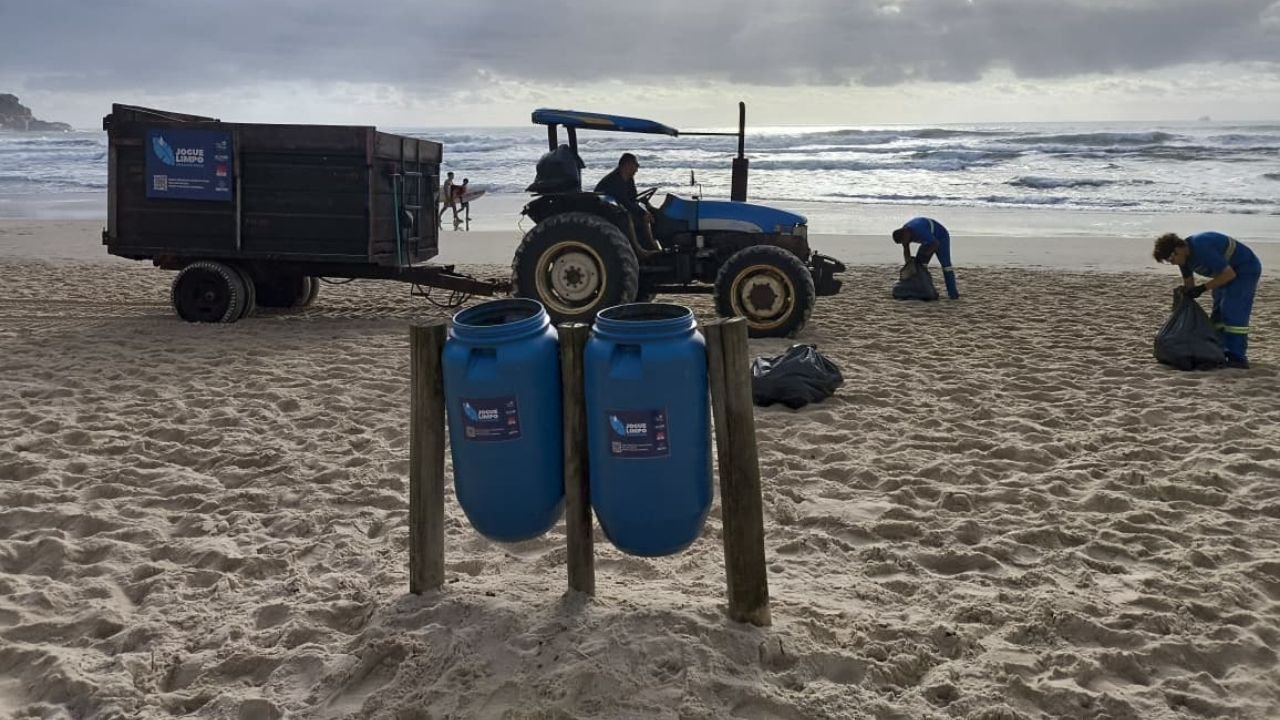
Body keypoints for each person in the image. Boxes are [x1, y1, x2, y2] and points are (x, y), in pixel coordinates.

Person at [1153, 231, 1262, 369]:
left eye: (1171, 260)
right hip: (1223, 273)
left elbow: (1229, 274)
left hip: (1244, 269)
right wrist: (1186, 294)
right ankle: (1219, 351)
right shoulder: (1184, 259)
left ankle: (1237, 357)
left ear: (1177, 249)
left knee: (1232, 311)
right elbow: (1189, 282)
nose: (1173, 263)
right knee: (1218, 313)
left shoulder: (1202, 247)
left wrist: (1202, 288)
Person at [594, 153, 659, 254]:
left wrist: (645, 208)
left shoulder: (629, 179)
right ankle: (639, 250)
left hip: (618, 207)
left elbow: (633, 198)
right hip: (608, 211)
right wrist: (642, 213)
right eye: (636, 165)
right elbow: (624, 201)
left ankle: (652, 245)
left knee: (648, 212)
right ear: (627, 165)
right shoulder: (614, 180)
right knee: (628, 217)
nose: (637, 169)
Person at [893, 217, 958, 299]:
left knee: (946, 267)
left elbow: (936, 244)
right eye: (903, 242)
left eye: (905, 241)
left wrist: (926, 254)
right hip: (927, 241)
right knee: (920, 266)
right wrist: (909, 265)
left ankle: (953, 294)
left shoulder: (920, 230)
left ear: (906, 234)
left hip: (940, 237)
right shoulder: (903, 234)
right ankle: (923, 289)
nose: (906, 243)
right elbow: (906, 250)